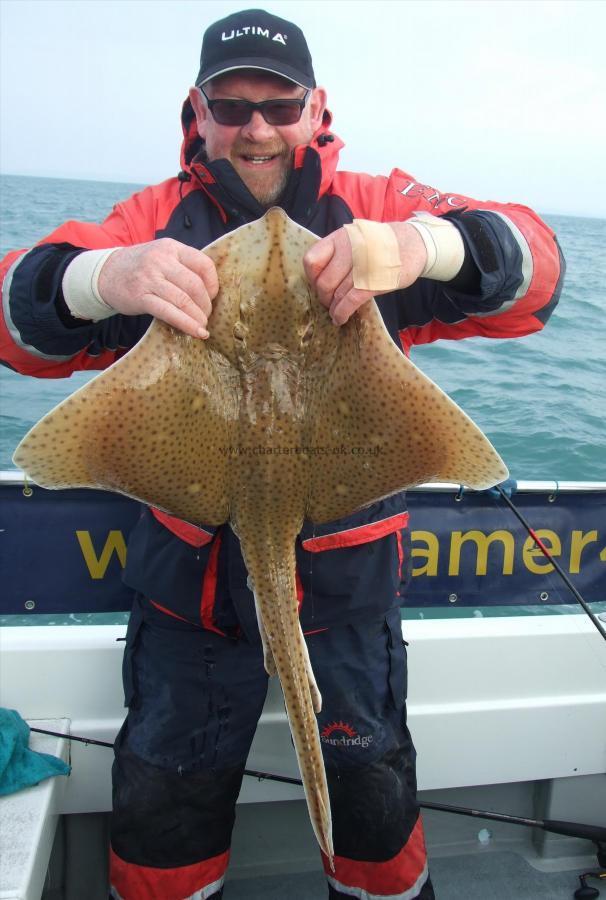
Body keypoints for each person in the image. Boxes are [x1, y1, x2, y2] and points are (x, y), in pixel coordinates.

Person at [0, 8, 565, 899]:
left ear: (315, 108)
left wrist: (425, 246)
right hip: (186, 609)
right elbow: (17, 324)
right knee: (163, 834)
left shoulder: (372, 208)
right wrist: (98, 277)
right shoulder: (155, 218)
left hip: (349, 598)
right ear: (199, 110)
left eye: (279, 103)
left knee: (374, 816)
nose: (256, 126)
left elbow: (539, 269)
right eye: (231, 104)